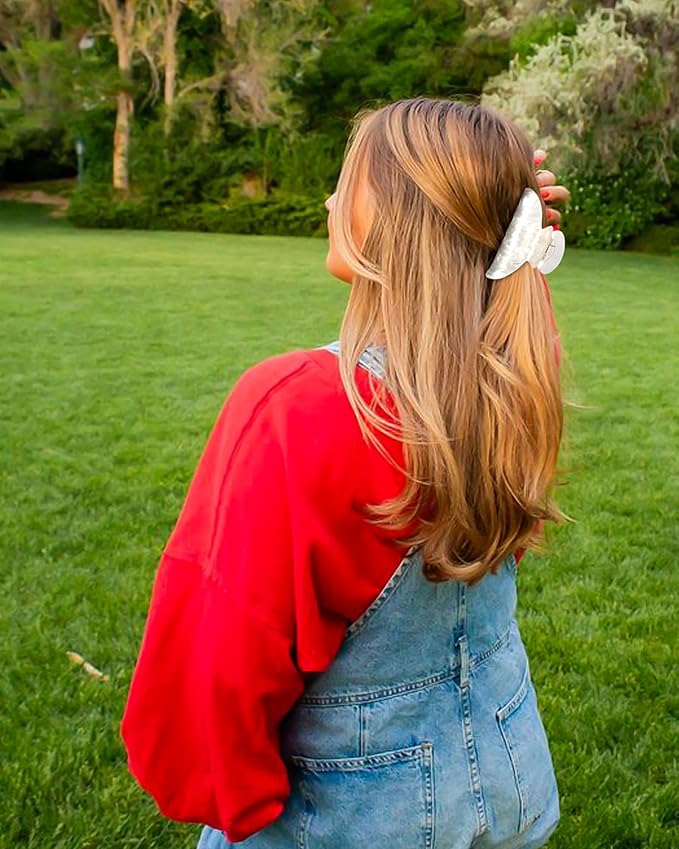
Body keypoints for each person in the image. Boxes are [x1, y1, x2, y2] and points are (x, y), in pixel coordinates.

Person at [121, 98, 570, 849]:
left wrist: (227, 798)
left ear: (396, 216)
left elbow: (215, 659)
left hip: (355, 812)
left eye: (347, 181)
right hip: (508, 772)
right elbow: (511, 305)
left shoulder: (300, 406)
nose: (329, 201)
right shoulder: (515, 380)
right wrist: (502, 215)